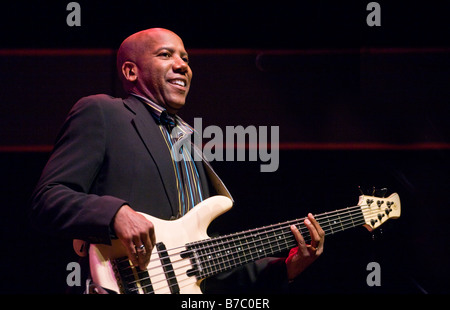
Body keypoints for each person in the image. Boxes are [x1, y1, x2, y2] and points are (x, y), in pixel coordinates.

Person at [30, 28, 325, 294]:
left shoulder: (189, 145)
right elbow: (47, 198)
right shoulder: (103, 113)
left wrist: (286, 267)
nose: (183, 65)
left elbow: (200, 261)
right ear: (131, 71)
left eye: (185, 58)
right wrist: (115, 214)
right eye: (165, 54)